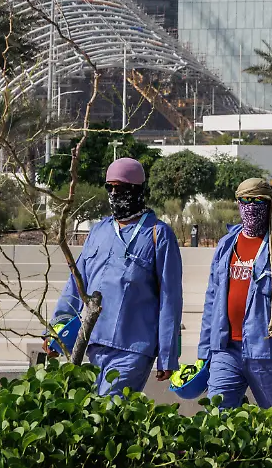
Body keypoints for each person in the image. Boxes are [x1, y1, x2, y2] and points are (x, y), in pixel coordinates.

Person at [51, 157, 183, 396]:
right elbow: (76, 285)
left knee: (110, 406)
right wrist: (56, 334)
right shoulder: (98, 231)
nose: (114, 193)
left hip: (133, 348)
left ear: (137, 189)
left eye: (120, 188)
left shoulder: (158, 234)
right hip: (93, 343)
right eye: (109, 187)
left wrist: (167, 355)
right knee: (93, 412)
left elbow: (170, 299)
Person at [197, 177, 272, 419]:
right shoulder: (227, 244)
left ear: (269, 204)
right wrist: (206, 349)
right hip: (226, 350)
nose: (251, 206)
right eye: (245, 200)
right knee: (216, 418)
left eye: (258, 201)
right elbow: (212, 299)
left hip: (267, 353)